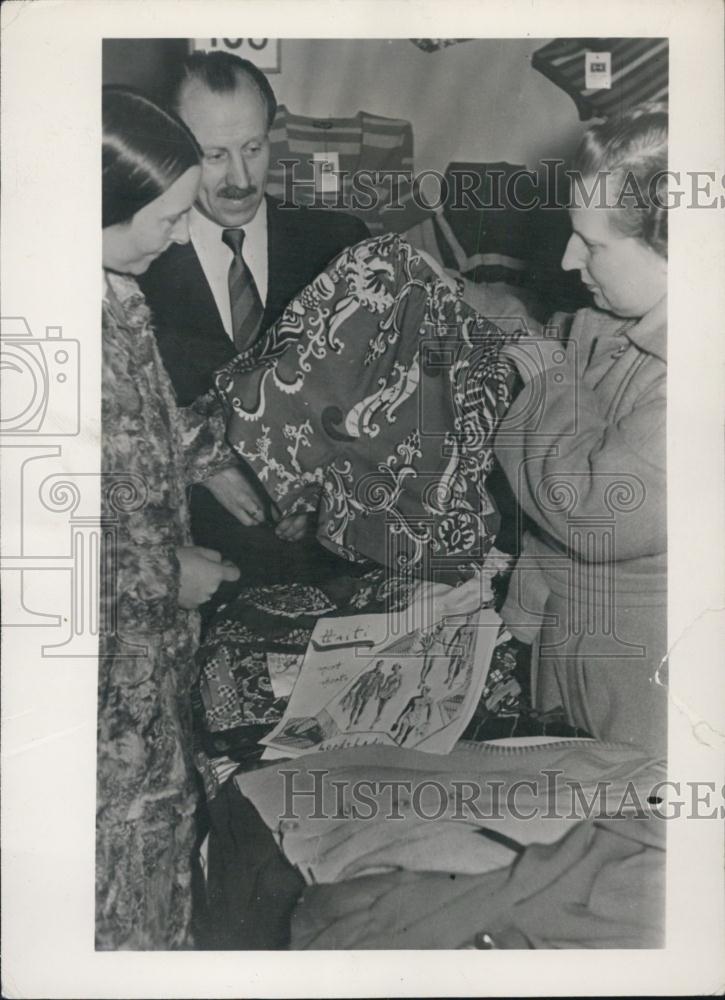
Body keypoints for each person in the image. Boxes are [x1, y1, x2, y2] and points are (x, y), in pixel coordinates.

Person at [98, 86, 259, 950]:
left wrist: (214, 457)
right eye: (165, 217)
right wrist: (169, 576)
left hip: (148, 683)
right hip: (98, 708)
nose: (177, 234)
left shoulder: (116, 296)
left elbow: (146, 420)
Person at [138, 51, 370, 587]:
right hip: (196, 567)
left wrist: (335, 494)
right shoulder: (137, 262)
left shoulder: (341, 242)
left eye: (253, 149)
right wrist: (202, 465)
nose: (240, 179)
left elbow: (387, 398)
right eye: (214, 156)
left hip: (332, 563)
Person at [494, 103, 668, 752]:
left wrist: (547, 381)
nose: (569, 260)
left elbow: (591, 509)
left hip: (646, 688)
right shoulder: (622, 320)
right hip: (581, 651)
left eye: (593, 245)